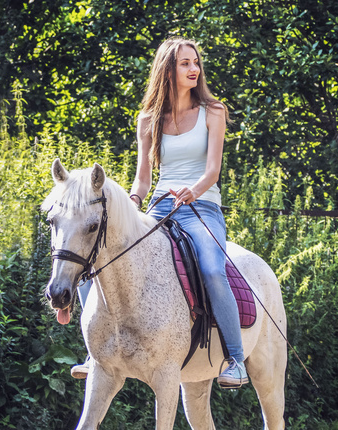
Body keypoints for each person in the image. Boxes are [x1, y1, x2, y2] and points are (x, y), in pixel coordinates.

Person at [72, 37, 247, 388]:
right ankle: (97, 355)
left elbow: (212, 170)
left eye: (195, 62)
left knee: (213, 269)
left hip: (202, 207)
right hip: (160, 209)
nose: (194, 68)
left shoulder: (214, 112)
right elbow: (142, 177)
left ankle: (236, 359)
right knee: (96, 261)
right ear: (168, 69)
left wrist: (193, 192)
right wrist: (134, 202)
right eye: (185, 63)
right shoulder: (148, 119)